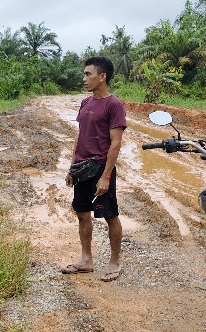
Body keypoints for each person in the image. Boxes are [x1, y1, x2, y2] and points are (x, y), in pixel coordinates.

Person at [61, 56, 127, 282]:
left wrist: (106, 176)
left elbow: (115, 143)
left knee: (110, 215)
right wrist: (72, 167)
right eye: (84, 74)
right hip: (82, 167)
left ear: (102, 76)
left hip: (100, 167)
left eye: (88, 74)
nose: (84, 78)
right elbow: (79, 136)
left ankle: (114, 262)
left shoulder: (114, 105)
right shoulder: (85, 103)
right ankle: (86, 260)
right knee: (82, 213)